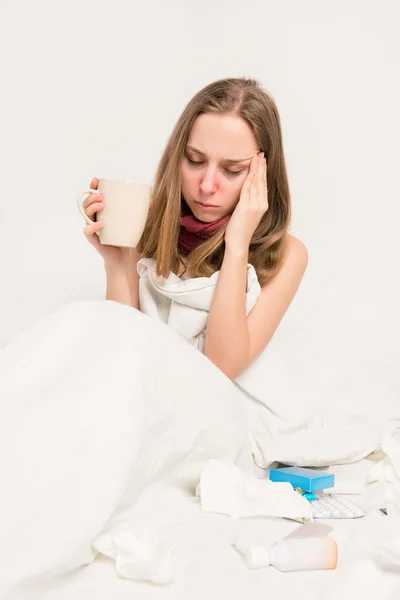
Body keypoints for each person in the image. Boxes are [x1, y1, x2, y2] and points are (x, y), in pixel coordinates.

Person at [82, 76, 308, 380]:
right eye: (195, 160)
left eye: (232, 170)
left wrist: (238, 243)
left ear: (263, 173)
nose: (207, 185)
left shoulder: (288, 255)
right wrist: (115, 260)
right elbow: (122, 348)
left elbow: (221, 366)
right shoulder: (147, 217)